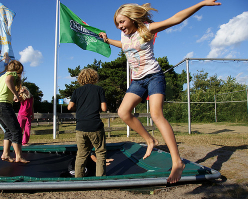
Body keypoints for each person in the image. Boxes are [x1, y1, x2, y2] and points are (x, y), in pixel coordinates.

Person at [98, 0, 221, 183]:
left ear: (132, 19)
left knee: (156, 115)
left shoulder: (147, 29)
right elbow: (123, 46)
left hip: (154, 76)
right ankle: (151, 140)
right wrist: (107, 40)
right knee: (123, 112)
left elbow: (176, 19)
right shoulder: (124, 37)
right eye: (117, 23)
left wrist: (201, 4)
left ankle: (177, 161)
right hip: (138, 80)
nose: (119, 26)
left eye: (122, 22)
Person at [67, 68, 107, 177]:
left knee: (81, 155)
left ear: (81, 78)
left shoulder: (77, 91)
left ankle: (78, 180)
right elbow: (104, 108)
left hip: (81, 127)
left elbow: (69, 107)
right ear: (95, 77)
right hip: (95, 125)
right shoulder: (99, 89)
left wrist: (78, 107)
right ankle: (101, 180)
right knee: (100, 152)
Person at [0, 60, 29, 164]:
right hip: (3, 106)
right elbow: (8, 81)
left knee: (8, 131)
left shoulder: (0, 77)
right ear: (18, 69)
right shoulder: (12, 74)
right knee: (16, 130)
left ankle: (5, 154)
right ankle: (19, 156)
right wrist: (15, 94)